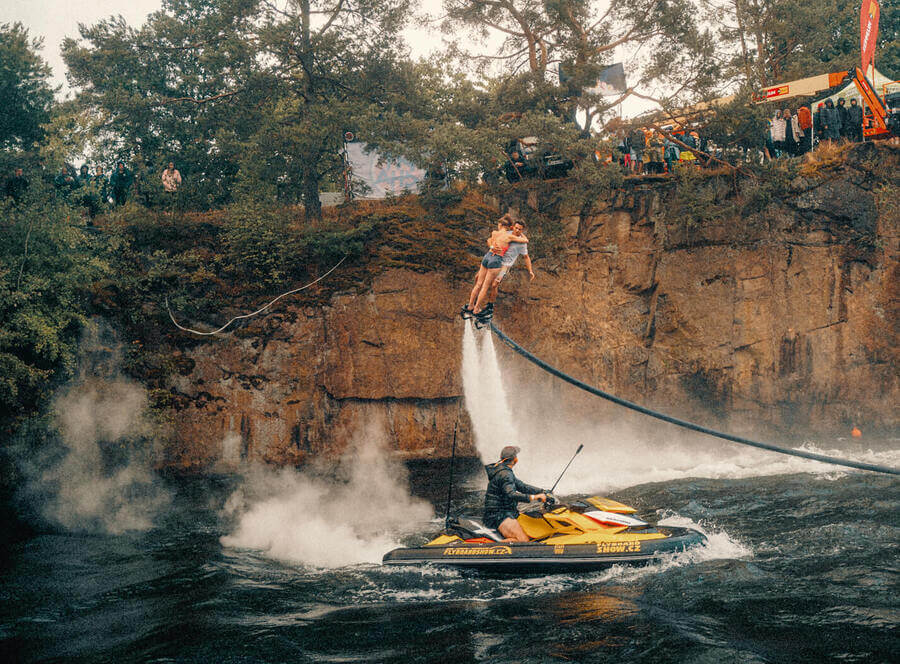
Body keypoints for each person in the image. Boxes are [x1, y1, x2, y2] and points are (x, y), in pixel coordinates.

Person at [462, 215, 527, 320]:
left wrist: (492, 246)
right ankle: (476, 309)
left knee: (478, 283)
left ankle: (470, 305)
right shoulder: (509, 236)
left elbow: (490, 240)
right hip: (496, 260)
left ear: (500, 225)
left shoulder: (494, 233)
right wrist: (521, 233)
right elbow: (526, 240)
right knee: (485, 287)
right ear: (510, 227)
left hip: (487, 257)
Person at [483, 445, 549, 542]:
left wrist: (542, 491)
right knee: (523, 540)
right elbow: (511, 494)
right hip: (498, 515)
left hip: (506, 512)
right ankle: (491, 549)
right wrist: (534, 497)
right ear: (515, 460)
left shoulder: (504, 470)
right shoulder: (505, 474)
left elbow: (522, 486)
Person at [486, 220, 534, 306]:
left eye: (520, 229)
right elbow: (490, 240)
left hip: (505, 265)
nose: (517, 230)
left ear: (522, 230)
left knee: (494, 284)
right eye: (516, 228)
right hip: (495, 259)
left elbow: (526, 257)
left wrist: (530, 270)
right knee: (479, 278)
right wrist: (491, 246)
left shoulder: (522, 243)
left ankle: (489, 306)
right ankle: (474, 303)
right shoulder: (506, 234)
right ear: (513, 227)